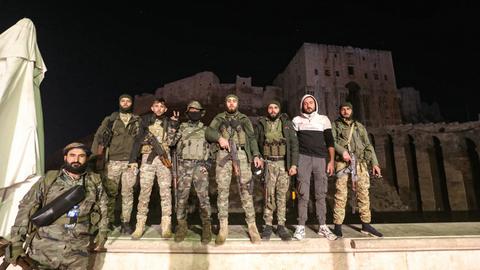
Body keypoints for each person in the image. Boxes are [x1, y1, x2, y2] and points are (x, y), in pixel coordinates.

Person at [5, 142, 108, 270]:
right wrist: (16, 242)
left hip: (77, 252)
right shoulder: (49, 179)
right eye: (72, 155)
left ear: (86, 158)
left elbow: (103, 208)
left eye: (81, 156)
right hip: (44, 249)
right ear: (65, 157)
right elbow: (26, 207)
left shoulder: (94, 181)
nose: (76, 159)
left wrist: (102, 233)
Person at [205, 94, 263, 245]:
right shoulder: (219, 117)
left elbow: (251, 138)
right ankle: (223, 227)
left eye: (234, 101)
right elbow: (208, 132)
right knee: (222, 191)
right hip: (223, 155)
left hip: (242, 154)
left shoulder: (244, 119)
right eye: (229, 101)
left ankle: (252, 226)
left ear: (237, 103)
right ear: (226, 103)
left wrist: (256, 154)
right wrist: (219, 138)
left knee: (246, 190)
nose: (231, 103)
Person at [128, 98, 179, 239]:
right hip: (147, 159)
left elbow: (172, 141)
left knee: (166, 192)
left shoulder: (169, 121)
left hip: (164, 159)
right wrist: (133, 160)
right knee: (145, 192)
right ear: (152, 108)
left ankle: (166, 226)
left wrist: (174, 124)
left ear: (165, 109)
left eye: (161, 106)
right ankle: (139, 226)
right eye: (156, 106)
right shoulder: (144, 120)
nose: (158, 109)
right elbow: (138, 139)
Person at [91, 93, 141, 234]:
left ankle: (125, 222)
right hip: (113, 161)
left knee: (128, 193)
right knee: (110, 193)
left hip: (130, 163)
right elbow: (98, 137)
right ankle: (108, 221)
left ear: (132, 103)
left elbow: (141, 139)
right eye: (123, 101)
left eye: (128, 101)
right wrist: (94, 157)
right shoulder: (111, 119)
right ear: (119, 103)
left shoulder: (137, 120)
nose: (125, 103)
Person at [331, 102, 383, 238]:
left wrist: (375, 164)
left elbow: (368, 145)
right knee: (340, 193)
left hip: (360, 162)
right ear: (340, 111)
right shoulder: (335, 125)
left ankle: (366, 225)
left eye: (348, 109)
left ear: (352, 111)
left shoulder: (359, 126)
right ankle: (337, 226)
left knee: (363, 193)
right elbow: (331, 141)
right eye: (343, 109)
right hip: (342, 162)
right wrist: (342, 152)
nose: (346, 111)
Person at [291, 94, 337, 241]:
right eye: (306, 103)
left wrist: (331, 161)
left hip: (320, 159)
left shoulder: (323, 119)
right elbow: (294, 144)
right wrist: (294, 163)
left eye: (311, 102)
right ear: (302, 106)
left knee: (321, 193)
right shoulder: (296, 120)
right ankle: (300, 226)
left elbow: (330, 141)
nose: (308, 105)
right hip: (303, 158)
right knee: (302, 192)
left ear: (315, 104)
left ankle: (322, 226)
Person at [255, 100, 299, 241]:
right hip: (268, 164)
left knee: (281, 196)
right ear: (267, 110)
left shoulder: (286, 123)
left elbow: (294, 145)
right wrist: (258, 157)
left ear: (279, 109)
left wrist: (293, 164)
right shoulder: (262, 123)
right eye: (270, 107)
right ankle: (267, 225)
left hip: (283, 164)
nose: (273, 110)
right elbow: (255, 142)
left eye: (275, 107)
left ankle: (281, 225)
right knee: (269, 195)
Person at [171, 101, 213, 244]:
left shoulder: (206, 129)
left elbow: (213, 149)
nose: (194, 112)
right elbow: (171, 142)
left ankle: (207, 227)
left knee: (204, 199)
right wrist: (173, 125)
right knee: (181, 198)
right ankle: (181, 226)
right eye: (191, 110)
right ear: (188, 112)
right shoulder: (182, 128)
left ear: (201, 113)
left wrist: (208, 164)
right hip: (184, 167)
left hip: (200, 167)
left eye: (197, 110)